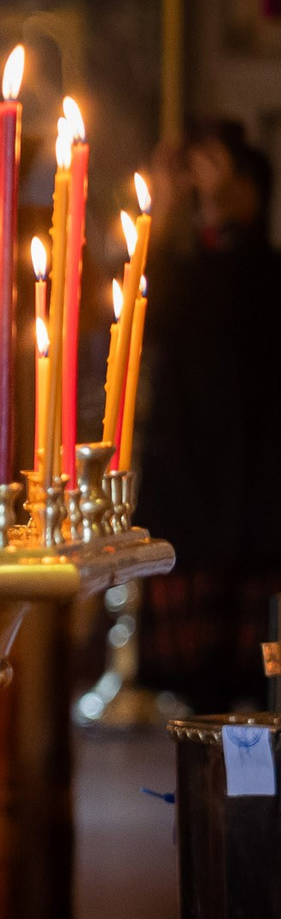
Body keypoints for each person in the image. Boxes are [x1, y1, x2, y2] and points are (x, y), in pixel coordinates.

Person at [133, 119, 281, 713]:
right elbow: (141, 313)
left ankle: (254, 774)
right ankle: (212, 771)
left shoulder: (264, 273)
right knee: (199, 686)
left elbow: (239, 297)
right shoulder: (182, 270)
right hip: (189, 495)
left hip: (256, 504)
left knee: (264, 675)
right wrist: (164, 209)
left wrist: (221, 207)